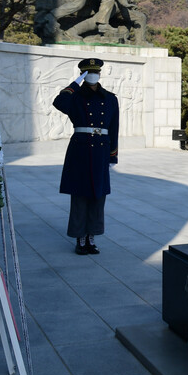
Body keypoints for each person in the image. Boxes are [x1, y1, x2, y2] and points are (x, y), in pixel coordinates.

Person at [53, 58, 120, 255]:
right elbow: (58, 101)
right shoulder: (74, 97)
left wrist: (112, 155)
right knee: (80, 194)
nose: (93, 75)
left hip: (101, 150)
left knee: (98, 195)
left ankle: (92, 235)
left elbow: (114, 128)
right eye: (88, 72)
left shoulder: (110, 98)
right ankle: (80, 237)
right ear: (83, 74)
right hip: (80, 150)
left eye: (95, 72)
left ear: (100, 74)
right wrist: (75, 84)